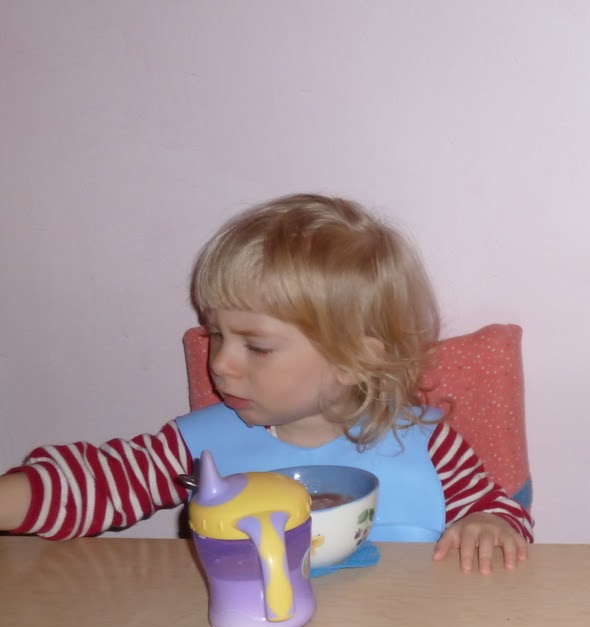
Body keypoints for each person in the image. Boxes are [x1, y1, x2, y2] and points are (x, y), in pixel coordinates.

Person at [0, 193, 532, 573]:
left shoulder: (427, 444)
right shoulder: (199, 448)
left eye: (256, 346)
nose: (220, 364)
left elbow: (502, 514)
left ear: (352, 361)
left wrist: (489, 523)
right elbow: (98, 483)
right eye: (216, 334)